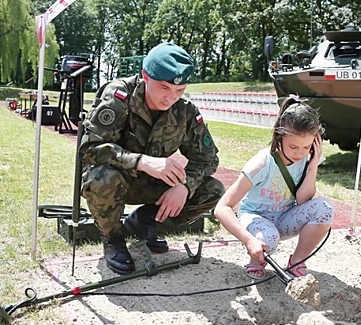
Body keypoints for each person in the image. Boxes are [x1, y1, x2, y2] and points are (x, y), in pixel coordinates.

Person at [79, 43, 225, 275]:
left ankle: (145, 222)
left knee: (213, 190)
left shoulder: (184, 111)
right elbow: (89, 148)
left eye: (179, 91)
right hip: (119, 179)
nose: (170, 98)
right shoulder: (119, 97)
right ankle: (113, 239)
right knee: (101, 177)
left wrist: (185, 186)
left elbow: (208, 160)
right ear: (145, 76)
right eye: (164, 87)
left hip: (154, 183)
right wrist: (142, 161)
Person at [214, 96, 334, 280]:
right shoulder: (262, 163)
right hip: (255, 219)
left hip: (283, 218)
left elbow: (303, 201)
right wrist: (248, 239)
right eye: (293, 146)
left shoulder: (306, 159)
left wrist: (313, 166)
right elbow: (221, 208)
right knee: (268, 238)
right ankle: (256, 258)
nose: (299, 153)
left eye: (306, 147)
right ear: (279, 136)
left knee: (325, 209)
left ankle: (296, 261)